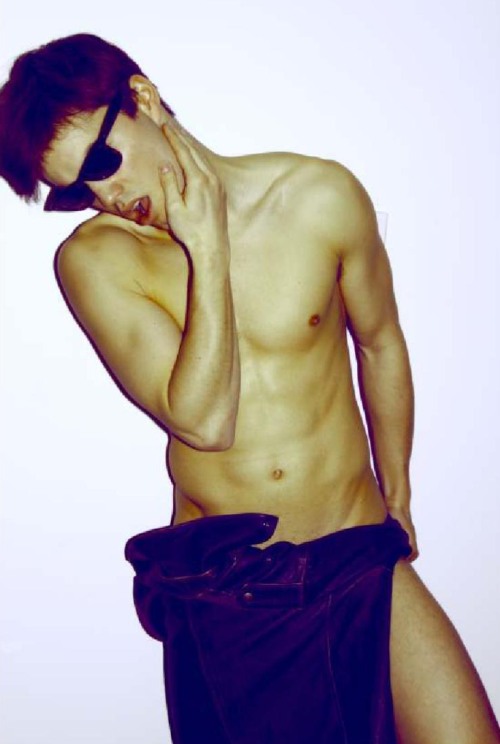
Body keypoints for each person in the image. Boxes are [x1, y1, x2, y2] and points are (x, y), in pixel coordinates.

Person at [0, 33, 498, 744]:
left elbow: (381, 342)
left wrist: (400, 495)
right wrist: (206, 246)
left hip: (356, 549)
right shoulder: (96, 261)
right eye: (80, 190)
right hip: (230, 587)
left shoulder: (320, 196)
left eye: (103, 163)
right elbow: (205, 421)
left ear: (143, 98)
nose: (107, 196)